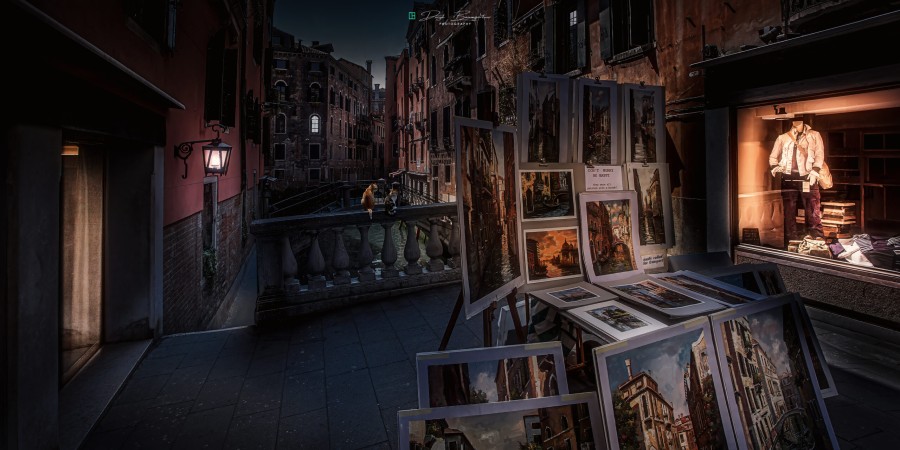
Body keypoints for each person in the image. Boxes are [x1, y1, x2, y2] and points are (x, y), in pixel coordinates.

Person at [769, 117, 825, 245]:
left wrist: (815, 170)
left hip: (807, 177)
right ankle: (791, 240)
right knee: (789, 211)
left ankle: (817, 241)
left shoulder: (814, 135)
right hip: (788, 177)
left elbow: (819, 154)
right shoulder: (783, 137)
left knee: (813, 209)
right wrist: (775, 167)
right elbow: (773, 156)